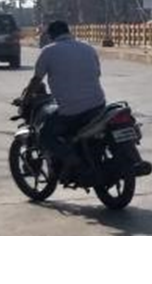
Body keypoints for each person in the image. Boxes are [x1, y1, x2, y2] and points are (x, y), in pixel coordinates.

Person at [30, 21, 107, 175]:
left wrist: (27, 97)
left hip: (71, 111)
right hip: (98, 106)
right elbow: (97, 74)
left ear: (51, 35)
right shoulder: (87, 47)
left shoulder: (48, 51)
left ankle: (72, 159)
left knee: (44, 134)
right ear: (68, 31)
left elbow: (36, 80)